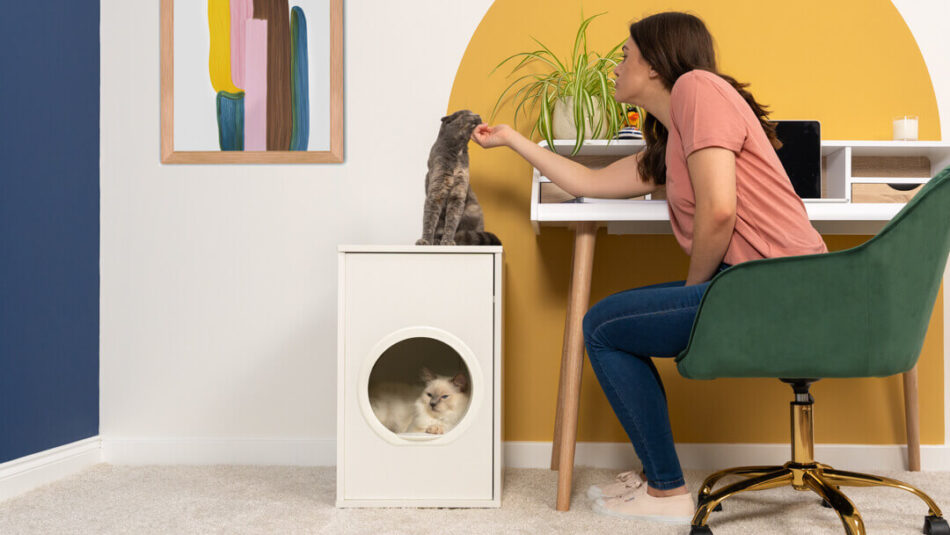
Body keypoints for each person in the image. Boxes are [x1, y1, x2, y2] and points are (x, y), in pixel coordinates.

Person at [470, 11, 828, 524]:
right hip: (762, 286)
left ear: (656, 65)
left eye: (625, 54)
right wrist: (512, 140)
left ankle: (666, 492)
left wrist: (695, 292)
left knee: (602, 327)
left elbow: (720, 209)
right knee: (610, 325)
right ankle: (662, 485)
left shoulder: (697, 89)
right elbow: (585, 182)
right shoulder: (673, 136)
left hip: (774, 287)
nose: (616, 65)